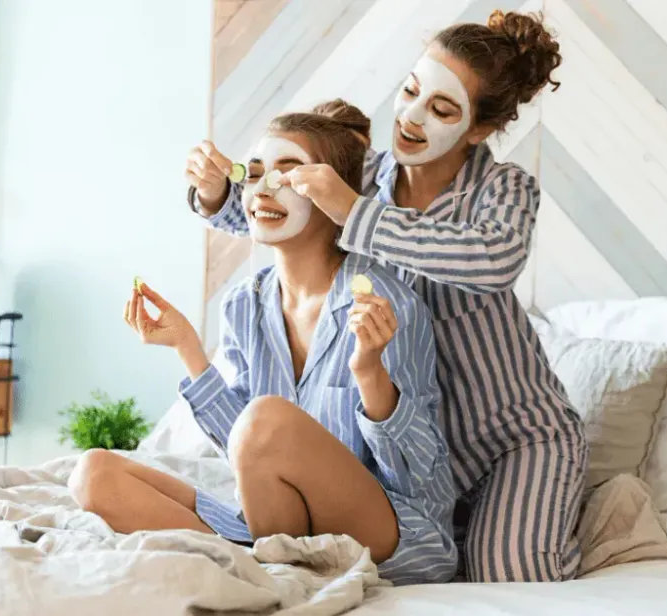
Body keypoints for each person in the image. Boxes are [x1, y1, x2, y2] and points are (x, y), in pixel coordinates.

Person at [185, 10, 587, 583]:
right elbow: (276, 209)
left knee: (506, 573)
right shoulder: (364, 174)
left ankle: (572, 512)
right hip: (421, 451)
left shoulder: (504, 189)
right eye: (411, 91)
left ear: (476, 129)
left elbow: (494, 260)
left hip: (512, 440)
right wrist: (215, 191)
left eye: (443, 109)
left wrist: (353, 211)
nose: (413, 117)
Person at [70, 105, 458, 586]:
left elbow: (425, 479)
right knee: (93, 475)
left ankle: (265, 572)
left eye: (287, 171)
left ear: (335, 194)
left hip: (389, 533)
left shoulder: (387, 303)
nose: (263, 188)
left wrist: (370, 374)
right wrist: (189, 349)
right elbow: (246, 450)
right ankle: (262, 572)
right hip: (275, 529)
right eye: (253, 174)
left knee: (265, 420)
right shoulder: (243, 306)